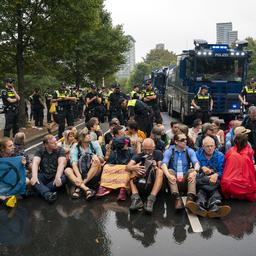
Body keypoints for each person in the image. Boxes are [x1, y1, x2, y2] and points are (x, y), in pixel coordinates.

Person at [186, 136, 231, 218]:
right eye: (207, 146)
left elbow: (223, 171)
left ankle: (215, 208)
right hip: (202, 183)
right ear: (203, 147)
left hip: (215, 184)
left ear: (215, 146)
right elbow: (193, 169)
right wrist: (201, 168)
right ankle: (200, 207)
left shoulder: (220, 155)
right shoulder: (197, 154)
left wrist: (216, 174)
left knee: (216, 195)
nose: (210, 148)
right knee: (201, 194)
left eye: (212, 146)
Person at [161, 133, 200, 210]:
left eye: (186, 139)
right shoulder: (169, 151)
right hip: (173, 180)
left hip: (186, 179)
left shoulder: (190, 151)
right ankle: (177, 199)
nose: (185, 141)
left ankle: (190, 199)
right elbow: (163, 164)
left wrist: (195, 172)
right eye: (182, 140)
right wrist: (168, 175)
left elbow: (196, 163)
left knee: (192, 170)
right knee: (170, 171)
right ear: (176, 142)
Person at [126, 138, 164, 214]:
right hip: (142, 178)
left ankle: (151, 199)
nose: (147, 152)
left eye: (149, 150)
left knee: (160, 171)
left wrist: (155, 165)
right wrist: (135, 167)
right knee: (131, 171)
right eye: (145, 149)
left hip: (154, 180)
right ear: (142, 148)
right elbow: (127, 166)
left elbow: (161, 166)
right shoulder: (139, 155)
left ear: (154, 147)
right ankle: (136, 198)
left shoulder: (158, 153)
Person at [65, 128, 104, 199]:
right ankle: (86, 189)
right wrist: (79, 176)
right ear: (81, 138)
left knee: (97, 161)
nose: (89, 136)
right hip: (81, 172)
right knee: (67, 170)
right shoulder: (75, 146)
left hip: (94, 172)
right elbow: (74, 163)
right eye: (86, 135)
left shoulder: (95, 144)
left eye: (88, 134)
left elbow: (102, 159)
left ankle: (79, 188)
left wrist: (95, 156)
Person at [221, 126, 256, 202]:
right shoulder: (247, 150)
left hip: (229, 182)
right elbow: (250, 170)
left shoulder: (230, 151)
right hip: (243, 182)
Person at [30, 135, 67, 203]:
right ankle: (48, 194)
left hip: (55, 176)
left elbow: (61, 164)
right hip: (44, 175)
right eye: (53, 143)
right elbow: (35, 163)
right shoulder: (40, 150)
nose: (56, 143)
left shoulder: (60, 150)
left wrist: (58, 176)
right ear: (46, 145)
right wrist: (34, 176)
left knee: (64, 178)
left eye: (56, 141)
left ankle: (38, 191)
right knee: (32, 175)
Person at [96, 136, 134, 200]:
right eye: (125, 143)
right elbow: (109, 164)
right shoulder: (115, 152)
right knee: (106, 167)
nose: (127, 144)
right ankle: (104, 187)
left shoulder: (131, 151)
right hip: (117, 172)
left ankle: (122, 189)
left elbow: (133, 163)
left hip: (126, 172)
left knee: (126, 169)